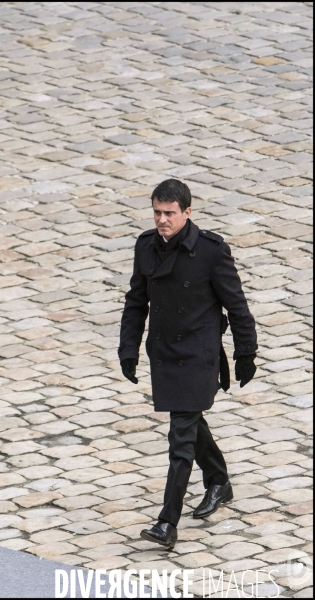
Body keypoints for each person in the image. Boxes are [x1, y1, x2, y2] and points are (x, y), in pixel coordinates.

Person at [118, 179, 257, 550]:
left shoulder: (211, 251)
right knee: (189, 423)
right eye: (157, 212)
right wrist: (127, 349)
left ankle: (167, 522)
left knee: (180, 438)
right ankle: (218, 479)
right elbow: (136, 302)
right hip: (164, 353)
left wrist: (246, 354)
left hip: (198, 355)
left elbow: (238, 307)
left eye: (169, 213)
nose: (162, 220)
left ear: (187, 213)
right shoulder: (146, 245)